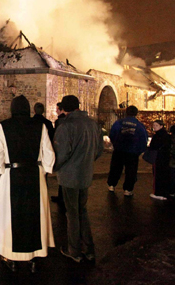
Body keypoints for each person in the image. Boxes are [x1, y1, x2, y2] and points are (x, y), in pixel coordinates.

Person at [0, 95, 55, 273]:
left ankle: (10, 257)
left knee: (11, 216)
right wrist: (45, 170)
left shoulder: (4, 126)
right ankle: (34, 256)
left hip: (12, 175)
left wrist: (0, 171)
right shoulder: (39, 126)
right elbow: (48, 151)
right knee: (34, 214)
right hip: (34, 175)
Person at [54, 95, 104, 263]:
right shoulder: (92, 124)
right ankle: (89, 249)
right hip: (85, 174)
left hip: (69, 176)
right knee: (82, 210)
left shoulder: (66, 126)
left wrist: (54, 168)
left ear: (64, 108)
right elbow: (98, 150)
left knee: (72, 213)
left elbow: (61, 154)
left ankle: (74, 250)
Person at [106, 105, 148, 197]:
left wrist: (115, 144)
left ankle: (112, 185)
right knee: (131, 171)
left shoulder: (119, 123)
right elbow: (143, 139)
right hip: (132, 152)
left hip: (119, 150)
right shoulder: (139, 125)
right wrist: (139, 150)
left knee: (116, 168)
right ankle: (128, 189)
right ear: (136, 114)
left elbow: (112, 134)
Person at [148, 120, 171, 201]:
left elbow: (153, 146)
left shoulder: (157, 136)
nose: (154, 127)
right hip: (165, 158)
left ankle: (158, 193)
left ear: (161, 126)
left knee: (157, 175)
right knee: (164, 175)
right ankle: (165, 192)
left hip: (158, 158)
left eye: (156, 125)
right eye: (154, 125)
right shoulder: (166, 135)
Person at [51, 102, 66, 205]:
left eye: (57, 109)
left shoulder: (59, 121)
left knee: (62, 174)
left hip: (62, 150)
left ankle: (62, 197)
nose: (56, 111)